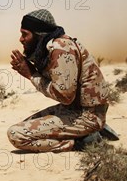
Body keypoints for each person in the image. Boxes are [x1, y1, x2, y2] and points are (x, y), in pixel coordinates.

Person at [7, 9, 111, 152]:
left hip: (87, 115)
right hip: (75, 110)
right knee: (27, 125)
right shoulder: (51, 48)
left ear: (39, 35)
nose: (21, 39)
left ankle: (83, 142)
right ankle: (85, 133)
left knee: (16, 134)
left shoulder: (62, 49)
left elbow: (65, 96)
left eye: (25, 34)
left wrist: (31, 75)